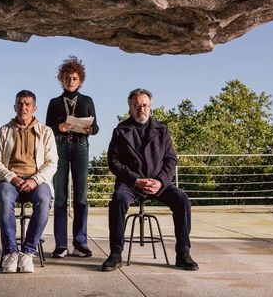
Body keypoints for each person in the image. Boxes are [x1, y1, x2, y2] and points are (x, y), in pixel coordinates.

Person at [101, 88, 198, 272]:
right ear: (130, 108)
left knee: (182, 200)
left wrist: (161, 181)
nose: (141, 109)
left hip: (158, 183)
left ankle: (183, 253)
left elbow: (171, 159)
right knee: (118, 200)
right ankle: (116, 253)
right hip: (131, 184)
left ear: (150, 107)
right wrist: (135, 180)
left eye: (144, 105)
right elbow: (113, 162)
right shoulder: (120, 131)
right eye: (136, 105)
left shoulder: (162, 130)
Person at [0, 90, 58, 273]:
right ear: (14, 107)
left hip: (37, 181)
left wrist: (35, 180)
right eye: (20, 104)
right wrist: (12, 177)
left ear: (34, 108)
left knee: (45, 200)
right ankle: (11, 253)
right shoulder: (3, 131)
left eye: (27, 104)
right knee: (4, 197)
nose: (23, 107)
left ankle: (27, 253)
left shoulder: (46, 132)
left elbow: (52, 163)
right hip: (10, 181)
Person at [46, 56, 99, 258]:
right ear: (62, 79)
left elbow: (96, 127)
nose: (70, 81)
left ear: (81, 81)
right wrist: (59, 127)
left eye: (74, 78)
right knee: (60, 197)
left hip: (80, 148)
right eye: (67, 78)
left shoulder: (87, 100)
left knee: (81, 197)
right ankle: (61, 245)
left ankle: (80, 243)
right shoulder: (54, 102)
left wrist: (89, 129)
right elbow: (47, 128)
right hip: (59, 148)